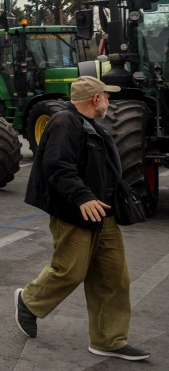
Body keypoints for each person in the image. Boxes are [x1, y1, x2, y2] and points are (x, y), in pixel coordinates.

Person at [16, 76, 149, 361]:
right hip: (75, 213)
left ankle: (108, 340)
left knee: (114, 278)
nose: (109, 101)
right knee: (70, 271)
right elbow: (57, 166)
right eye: (107, 96)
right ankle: (28, 301)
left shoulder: (92, 126)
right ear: (95, 98)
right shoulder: (65, 122)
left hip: (104, 214)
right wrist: (82, 196)